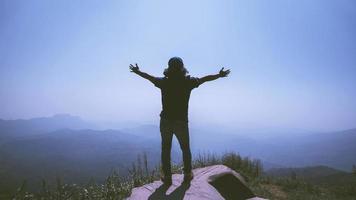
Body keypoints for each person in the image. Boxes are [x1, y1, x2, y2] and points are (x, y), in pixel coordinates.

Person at [129, 57, 230, 185]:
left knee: (166, 149)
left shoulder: (164, 82)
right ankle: (187, 174)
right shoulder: (188, 82)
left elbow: (149, 77)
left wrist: (138, 72)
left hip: (165, 121)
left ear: (169, 67)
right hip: (181, 122)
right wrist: (219, 75)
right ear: (182, 67)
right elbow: (205, 79)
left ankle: (167, 177)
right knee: (185, 148)